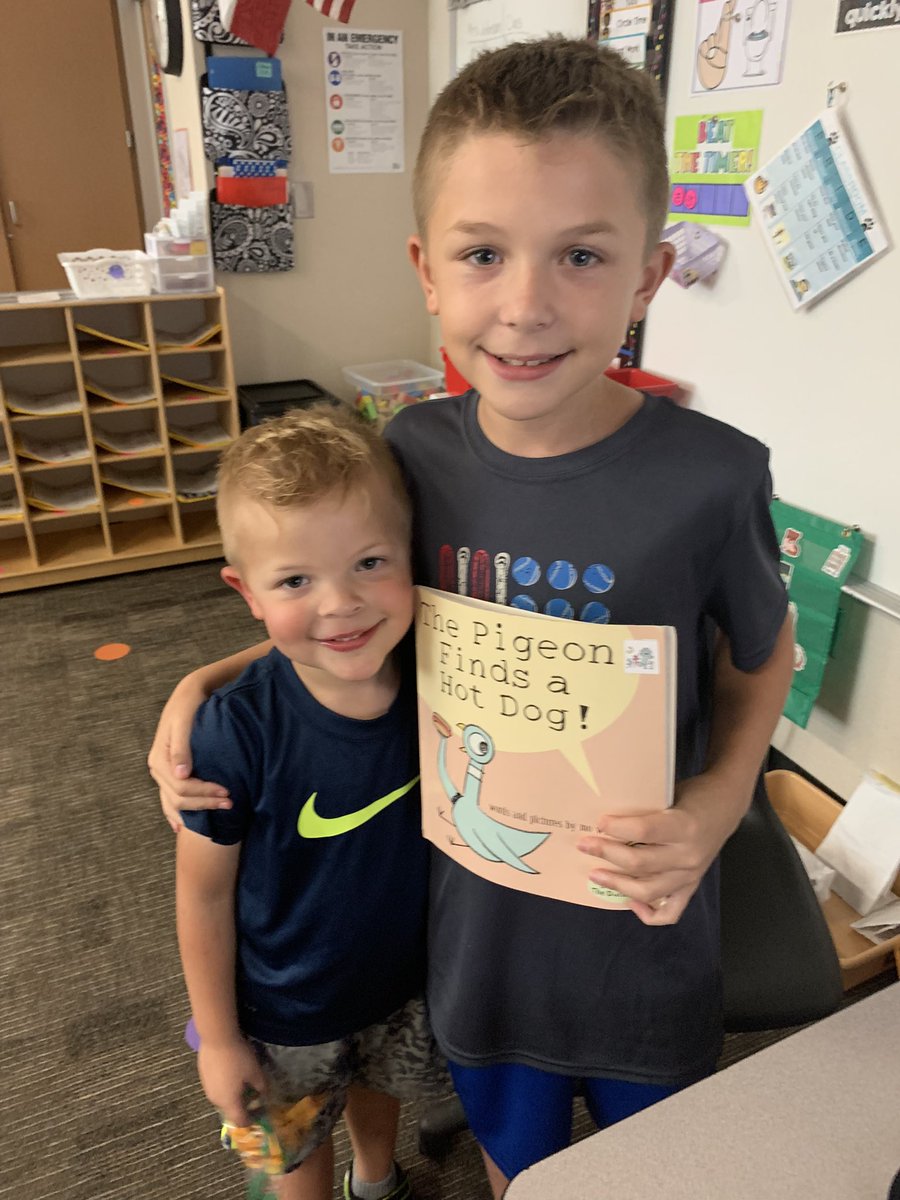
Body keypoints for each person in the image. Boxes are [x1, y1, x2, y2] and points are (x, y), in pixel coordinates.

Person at [150, 38, 794, 1198]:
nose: (527, 306)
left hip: (642, 944)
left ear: (648, 273)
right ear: (427, 270)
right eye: (484, 254)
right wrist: (203, 685)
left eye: (583, 256)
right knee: (523, 1175)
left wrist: (717, 800)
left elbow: (762, 656)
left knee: (665, 1173)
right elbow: (360, 611)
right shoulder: (412, 455)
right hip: (478, 951)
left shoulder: (712, 479)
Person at [173, 406, 445, 1200]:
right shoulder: (236, 729)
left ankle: (378, 1179)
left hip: (399, 982)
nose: (341, 604)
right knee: (291, 1158)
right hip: (282, 1009)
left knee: (377, 1090)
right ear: (246, 593)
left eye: (369, 563)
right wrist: (218, 1039)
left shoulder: (436, 677)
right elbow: (203, 890)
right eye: (296, 581)